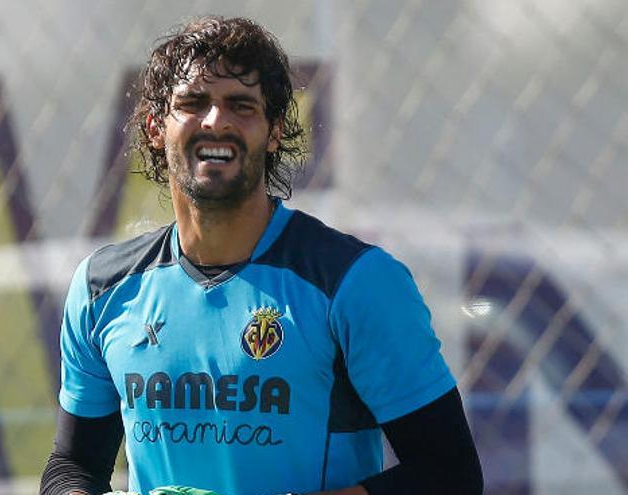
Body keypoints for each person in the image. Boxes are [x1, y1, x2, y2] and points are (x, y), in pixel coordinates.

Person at [40, 16, 482, 495]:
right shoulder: (102, 288)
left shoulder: (355, 282)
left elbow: (448, 472)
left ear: (274, 132)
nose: (216, 121)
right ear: (153, 128)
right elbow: (73, 465)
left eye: (241, 106)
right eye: (193, 103)